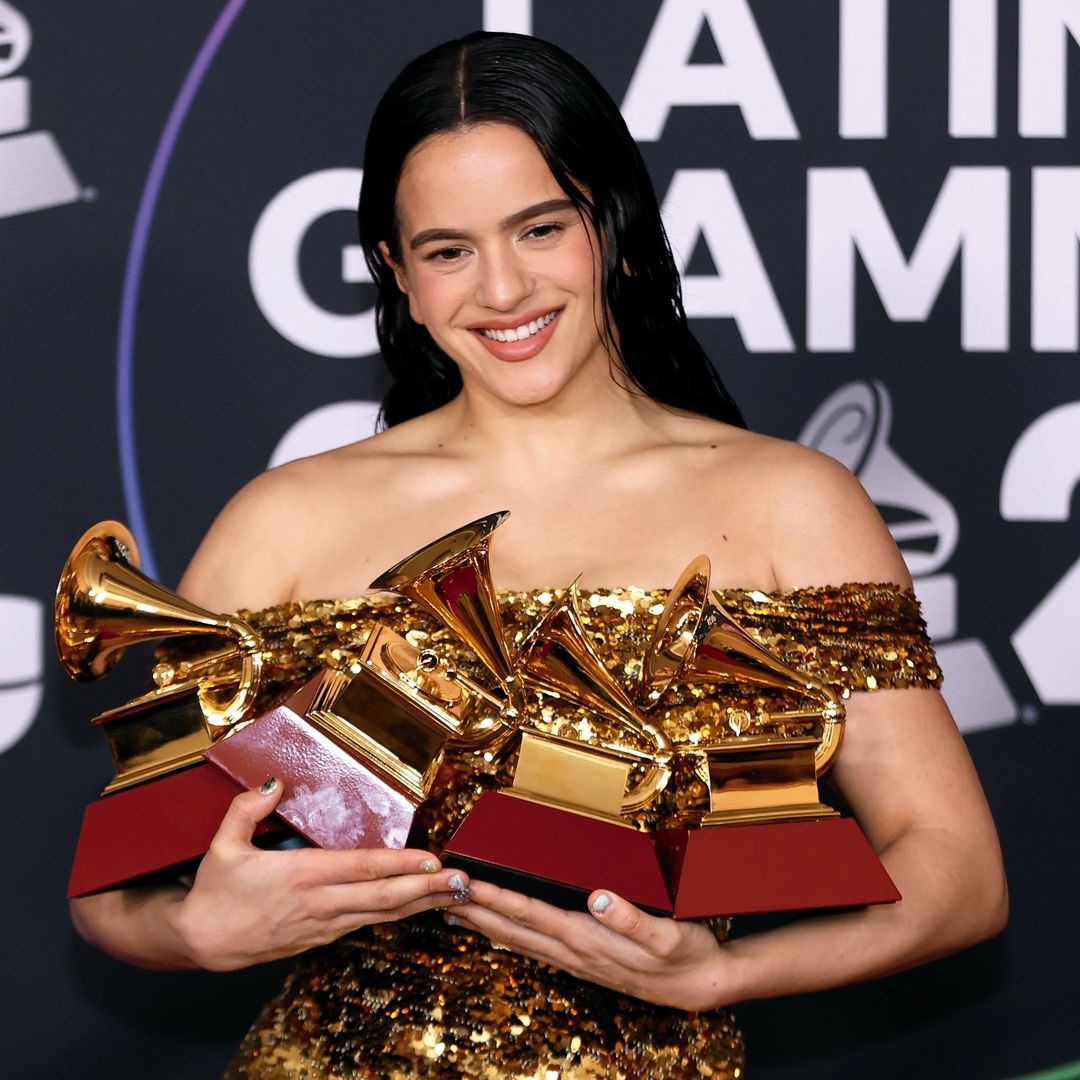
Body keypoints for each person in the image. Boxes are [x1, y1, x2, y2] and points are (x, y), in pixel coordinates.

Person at [69, 31, 1007, 1079]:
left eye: (540, 228)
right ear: (398, 273)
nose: (502, 290)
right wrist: (199, 930)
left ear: (611, 227)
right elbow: (113, 891)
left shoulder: (793, 505)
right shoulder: (283, 518)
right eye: (448, 250)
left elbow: (959, 877)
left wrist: (716, 977)